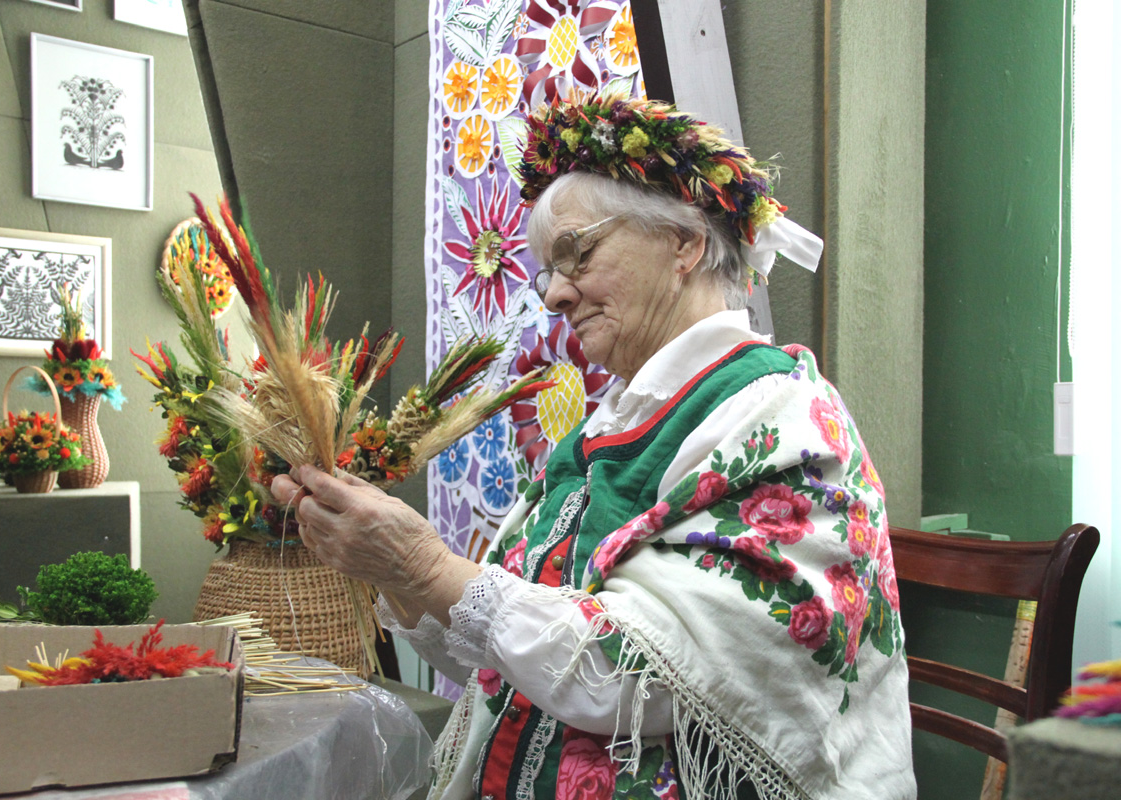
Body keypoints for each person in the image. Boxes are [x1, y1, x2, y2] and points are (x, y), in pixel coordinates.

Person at [273, 92, 916, 800]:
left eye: (575, 255)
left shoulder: (784, 420)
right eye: (547, 269)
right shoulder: (605, 428)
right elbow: (502, 644)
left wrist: (425, 566)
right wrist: (392, 568)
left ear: (686, 244)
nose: (553, 295)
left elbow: (643, 681)